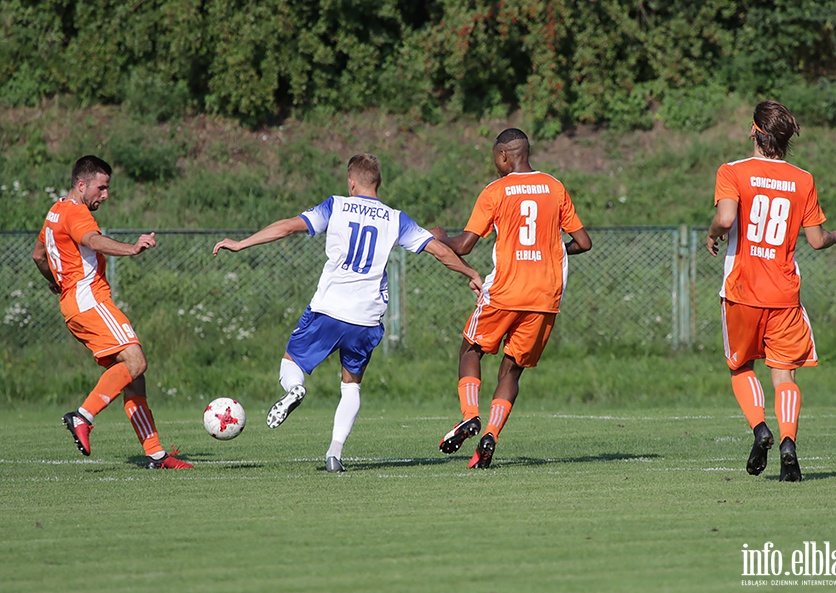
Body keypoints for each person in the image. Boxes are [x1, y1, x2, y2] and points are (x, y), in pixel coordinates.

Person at [212, 153, 483, 473]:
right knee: (351, 385)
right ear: (378, 184)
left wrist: (242, 243)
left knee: (291, 364)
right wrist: (472, 274)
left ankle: (294, 389)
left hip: (328, 308)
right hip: (366, 318)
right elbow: (439, 250)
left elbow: (287, 227)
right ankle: (334, 453)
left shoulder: (336, 205)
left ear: (352, 183)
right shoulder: (395, 218)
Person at [706, 100, 836, 482]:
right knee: (784, 376)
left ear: (754, 131)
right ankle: (789, 442)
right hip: (784, 294)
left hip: (741, 290)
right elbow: (817, 239)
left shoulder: (733, 171)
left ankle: (760, 429)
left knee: (741, 367)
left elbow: (725, 219)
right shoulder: (802, 179)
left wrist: (712, 234)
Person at [431, 128, 593, 468]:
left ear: (505, 155)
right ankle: (490, 434)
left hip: (506, 290)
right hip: (545, 297)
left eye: (495, 158)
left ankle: (470, 415)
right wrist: (554, 251)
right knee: (512, 371)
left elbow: (464, 245)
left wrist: (439, 237)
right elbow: (583, 242)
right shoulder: (554, 186)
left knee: (470, 349)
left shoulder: (496, 191)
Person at [32, 155, 193, 469]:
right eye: (101, 188)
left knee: (134, 377)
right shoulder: (77, 213)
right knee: (136, 360)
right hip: (91, 301)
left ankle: (156, 454)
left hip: (73, 306)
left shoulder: (56, 211)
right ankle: (83, 416)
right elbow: (92, 239)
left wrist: (57, 281)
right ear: (82, 184)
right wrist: (132, 249)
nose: (105, 195)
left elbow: (39, 256)